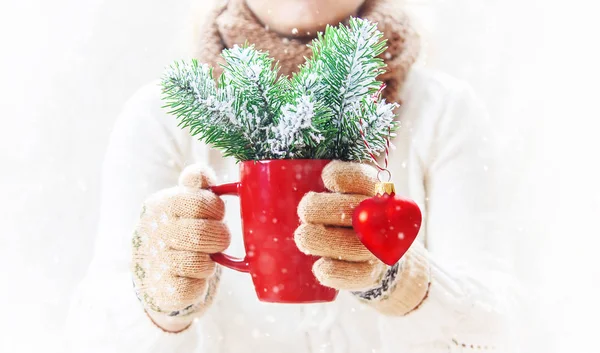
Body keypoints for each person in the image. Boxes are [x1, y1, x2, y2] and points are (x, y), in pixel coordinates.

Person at [66, 0, 516, 351]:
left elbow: (499, 333)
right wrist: (159, 305)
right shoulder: (162, 114)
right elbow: (91, 340)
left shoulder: (444, 113)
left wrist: (404, 282)